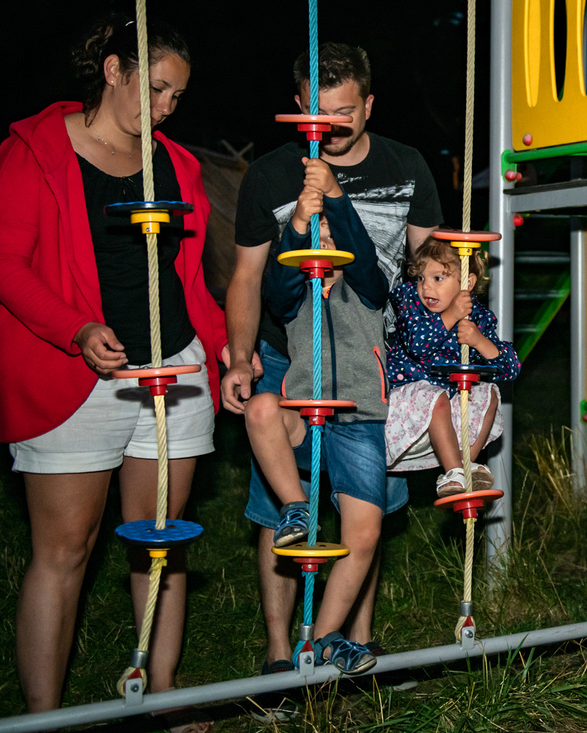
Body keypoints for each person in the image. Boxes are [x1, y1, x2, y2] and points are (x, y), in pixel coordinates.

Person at [0, 16, 226, 719]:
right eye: (154, 90)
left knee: (161, 542)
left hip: (172, 371)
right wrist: (77, 328)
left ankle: (163, 691)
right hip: (74, 374)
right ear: (113, 70)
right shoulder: (33, 150)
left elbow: (188, 275)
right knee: (66, 548)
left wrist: (217, 352)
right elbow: (2, 264)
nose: (166, 109)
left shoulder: (178, 163)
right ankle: (44, 713)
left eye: (176, 96)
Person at [222, 42, 442, 710]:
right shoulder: (268, 175)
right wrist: (238, 356)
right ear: (298, 108)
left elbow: (429, 269)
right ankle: (278, 653)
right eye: (319, 113)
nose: (334, 124)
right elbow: (249, 278)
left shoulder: (407, 166)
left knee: (368, 508)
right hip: (292, 350)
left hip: (377, 356)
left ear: (369, 103)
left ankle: (353, 646)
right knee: (279, 511)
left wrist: (430, 357)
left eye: (346, 112)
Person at [244, 158, 389, 674]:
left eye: (332, 234)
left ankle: (327, 636)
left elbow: (366, 259)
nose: (323, 240)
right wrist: (299, 223)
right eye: (315, 236)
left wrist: (333, 197)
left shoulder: (368, 292)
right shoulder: (294, 299)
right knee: (261, 407)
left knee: (364, 530)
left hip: (360, 422)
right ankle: (295, 507)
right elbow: (275, 283)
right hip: (305, 419)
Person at [385, 239, 521, 495]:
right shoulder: (410, 303)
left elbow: (511, 369)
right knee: (434, 397)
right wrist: (450, 317)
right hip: (407, 406)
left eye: (438, 278)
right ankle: (453, 471)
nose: (426, 287)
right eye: (421, 278)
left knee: (488, 391)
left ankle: (464, 464)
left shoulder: (477, 317)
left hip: (447, 411)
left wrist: (479, 341)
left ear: (466, 284)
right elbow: (417, 345)